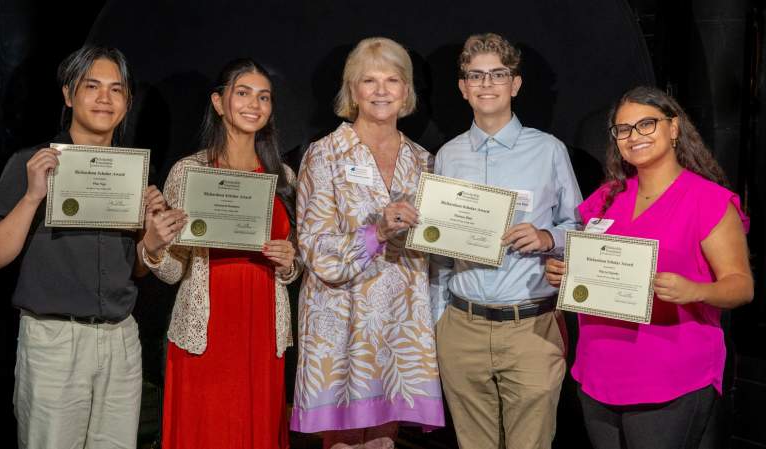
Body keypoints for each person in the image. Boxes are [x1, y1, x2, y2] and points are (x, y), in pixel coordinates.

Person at [544, 86, 753, 449]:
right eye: (623, 129)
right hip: (598, 371)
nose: (634, 136)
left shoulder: (708, 201)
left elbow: (740, 286)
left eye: (646, 124)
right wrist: (565, 273)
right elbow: (591, 268)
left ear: (674, 128)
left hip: (669, 377)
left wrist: (695, 290)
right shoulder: (606, 198)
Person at [0, 46, 164, 449]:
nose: (104, 98)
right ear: (68, 94)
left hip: (120, 340)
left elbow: (135, 269)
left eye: (116, 89)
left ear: (128, 102)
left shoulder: (134, 173)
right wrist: (32, 196)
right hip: (54, 341)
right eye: (92, 86)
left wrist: (151, 240)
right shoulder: (32, 163)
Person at [430, 33, 582, 449]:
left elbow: (583, 230)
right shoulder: (447, 156)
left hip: (530, 328)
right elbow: (439, 254)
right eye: (475, 75)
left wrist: (548, 237)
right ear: (463, 87)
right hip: (462, 328)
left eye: (498, 74)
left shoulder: (548, 151)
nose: (486, 84)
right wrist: (438, 322)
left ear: (515, 84)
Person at [291, 37, 444, 449]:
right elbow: (316, 249)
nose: (381, 91)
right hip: (342, 324)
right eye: (369, 80)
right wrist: (376, 233)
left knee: (384, 442)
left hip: (402, 328)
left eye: (392, 80)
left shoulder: (424, 161)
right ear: (352, 90)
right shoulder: (325, 155)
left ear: (406, 90)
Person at [140, 58, 301, 449]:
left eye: (264, 97)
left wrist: (289, 262)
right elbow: (173, 271)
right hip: (207, 333)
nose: (254, 104)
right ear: (218, 102)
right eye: (242, 93)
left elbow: (293, 265)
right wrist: (154, 244)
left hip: (262, 331)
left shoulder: (283, 177)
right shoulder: (188, 171)